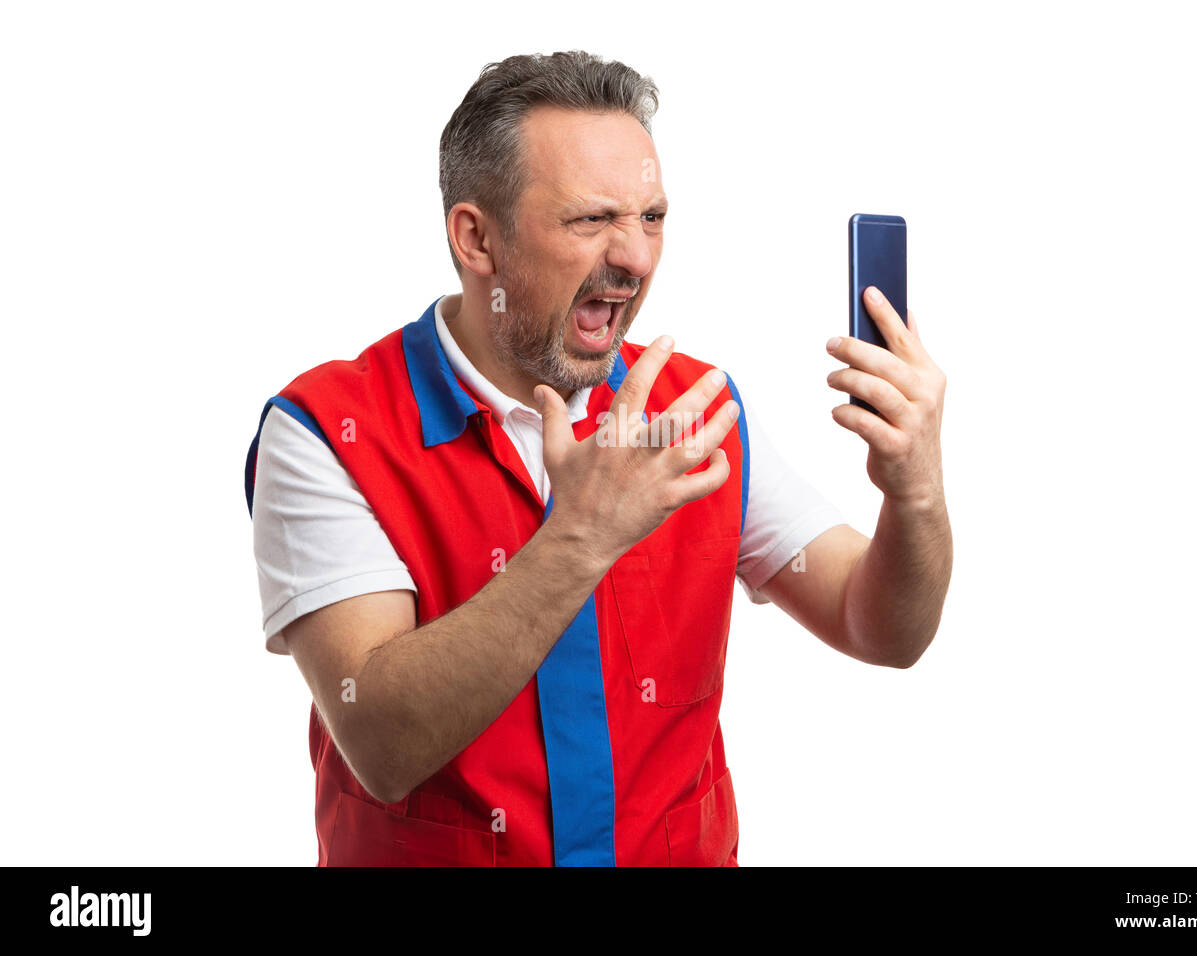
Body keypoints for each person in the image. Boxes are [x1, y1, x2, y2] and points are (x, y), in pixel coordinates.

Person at [245, 50, 952, 866]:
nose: (639, 259)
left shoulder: (695, 411)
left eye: (651, 218)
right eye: (592, 221)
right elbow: (382, 743)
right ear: (477, 238)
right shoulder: (327, 432)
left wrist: (917, 496)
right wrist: (581, 537)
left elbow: (881, 627)